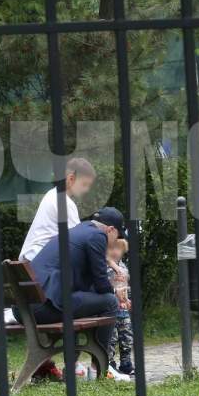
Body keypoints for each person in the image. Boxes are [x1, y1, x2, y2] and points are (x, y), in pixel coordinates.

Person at [24, 207, 127, 359]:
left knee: (78, 300)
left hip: (26, 308)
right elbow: (101, 284)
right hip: (43, 307)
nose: (114, 242)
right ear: (111, 230)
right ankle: (102, 364)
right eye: (117, 236)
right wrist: (115, 292)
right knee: (110, 302)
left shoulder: (77, 231)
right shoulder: (98, 235)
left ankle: (72, 366)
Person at [18, 157, 96, 262]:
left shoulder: (52, 194)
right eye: (84, 184)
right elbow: (80, 242)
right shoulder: (64, 202)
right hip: (40, 260)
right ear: (71, 179)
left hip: (32, 256)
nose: (86, 189)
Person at [106, 239, 134, 376]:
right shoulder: (105, 268)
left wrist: (128, 299)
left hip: (123, 309)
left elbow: (125, 286)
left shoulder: (123, 267)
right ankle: (110, 364)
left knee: (127, 337)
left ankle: (126, 363)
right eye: (112, 249)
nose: (115, 252)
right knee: (112, 338)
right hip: (111, 309)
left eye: (119, 249)